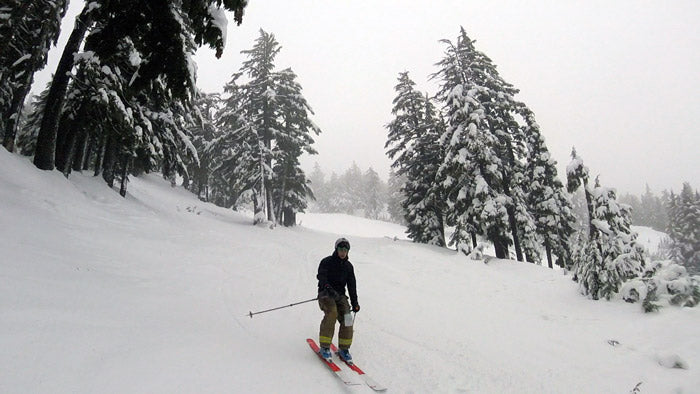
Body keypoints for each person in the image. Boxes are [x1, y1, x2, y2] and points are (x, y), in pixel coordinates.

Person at [316, 237, 360, 362]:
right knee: (332, 312)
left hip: (340, 296)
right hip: (325, 294)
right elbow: (321, 277)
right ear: (336, 249)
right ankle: (325, 347)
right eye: (341, 249)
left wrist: (355, 302)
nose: (343, 252)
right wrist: (329, 289)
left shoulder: (348, 267)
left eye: (345, 250)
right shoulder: (327, 262)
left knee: (347, 317)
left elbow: (352, 286)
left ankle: (344, 349)